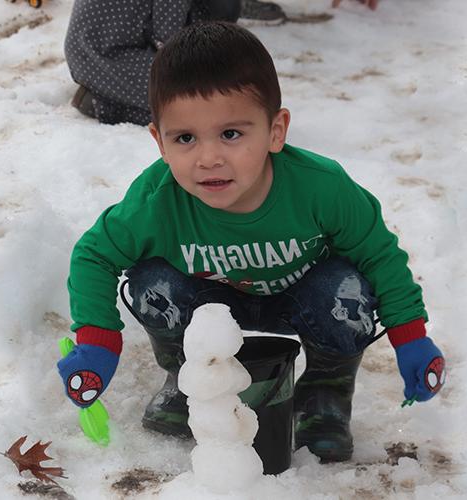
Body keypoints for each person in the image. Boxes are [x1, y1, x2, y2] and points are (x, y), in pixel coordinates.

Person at [57, 21, 446, 463]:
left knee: (348, 289)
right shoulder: (157, 201)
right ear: (159, 142)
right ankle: (191, 383)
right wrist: (97, 339)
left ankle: (325, 394)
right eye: (185, 138)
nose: (209, 158)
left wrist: (411, 336)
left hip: (306, 299)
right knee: (152, 283)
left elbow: (379, 255)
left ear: (275, 130)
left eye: (231, 134)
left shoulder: (321, 188)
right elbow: (94, 255)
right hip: (210, 302)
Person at [64, 0, 241, 125]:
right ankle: (101, 105)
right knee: (195, 103)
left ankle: (108, 95)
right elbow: (168, 38)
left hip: (81, 50)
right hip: (106, 56)